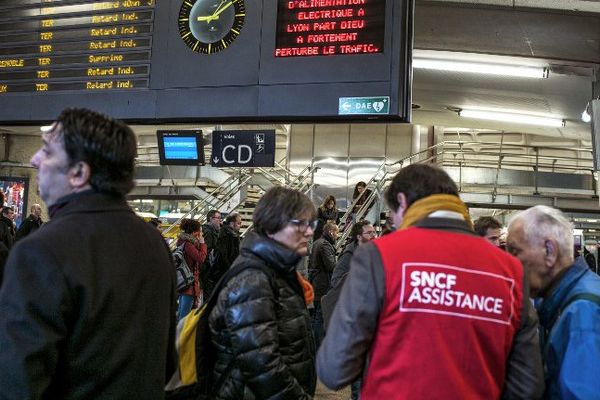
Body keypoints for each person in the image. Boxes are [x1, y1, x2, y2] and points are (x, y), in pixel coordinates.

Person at [318, 164, 544, 399]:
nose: (394, 225)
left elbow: (334, 369)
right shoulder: (511, 271)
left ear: (403, 202)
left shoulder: (379, 256)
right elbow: (527, 387)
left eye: (394, 216)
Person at [0, 108, 177, 399]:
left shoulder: (41, 251)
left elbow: (16, 382)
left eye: (46, 151)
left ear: (79, 173)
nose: (34, 160)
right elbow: (166, 365)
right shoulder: (154, 243)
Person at [208, 186, 317, 399]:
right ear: (271, 226)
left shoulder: (275, 272)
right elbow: (262, 365)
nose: (309, 231)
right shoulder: (254, 279)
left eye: (310, 223)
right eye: (300, 223)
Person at [507, 205, 600, 399]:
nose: (509, 262)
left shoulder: (582, 313)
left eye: (514, 251)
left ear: (549, 251)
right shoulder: (565, 303)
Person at [322, 220, 376, 400]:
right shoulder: (349, 256)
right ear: (359, 237)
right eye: (369, 233)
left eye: (374, 231)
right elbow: (336, 281)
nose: (373, 235)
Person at [308, 221, 338, 349]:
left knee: (315, 317)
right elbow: (331, 265)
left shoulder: (317, 242)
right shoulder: (325, 245)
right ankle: (317, 345)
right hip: (322, 284)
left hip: (316, 283)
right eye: (336, 232)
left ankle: (313, 343)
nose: (337, 235)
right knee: (319, 317)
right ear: (331, 232)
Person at [177, 218, 207, 320]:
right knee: (184, 316)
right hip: (188, 283)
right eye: (200, 231)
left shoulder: (183, 242)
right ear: (195, 232)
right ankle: (180, 335)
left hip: (185, 281)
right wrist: (203, 244)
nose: (201, 233)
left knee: (183, 313)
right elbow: (201, 258)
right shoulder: (188, 244)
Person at [214, 212, 242, 280]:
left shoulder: (233, 235)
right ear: (232, 224)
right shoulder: (225, 235)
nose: (240, 225)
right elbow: (223, 257)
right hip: (226, 273)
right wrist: (230, 271)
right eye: (238, 223)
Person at [201, 209, 222, 297]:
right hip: (208, 270)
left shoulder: (214, 231)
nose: (220, 221)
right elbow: (207, 251)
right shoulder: (208, 232)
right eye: (218, 218)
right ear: (211, 219)